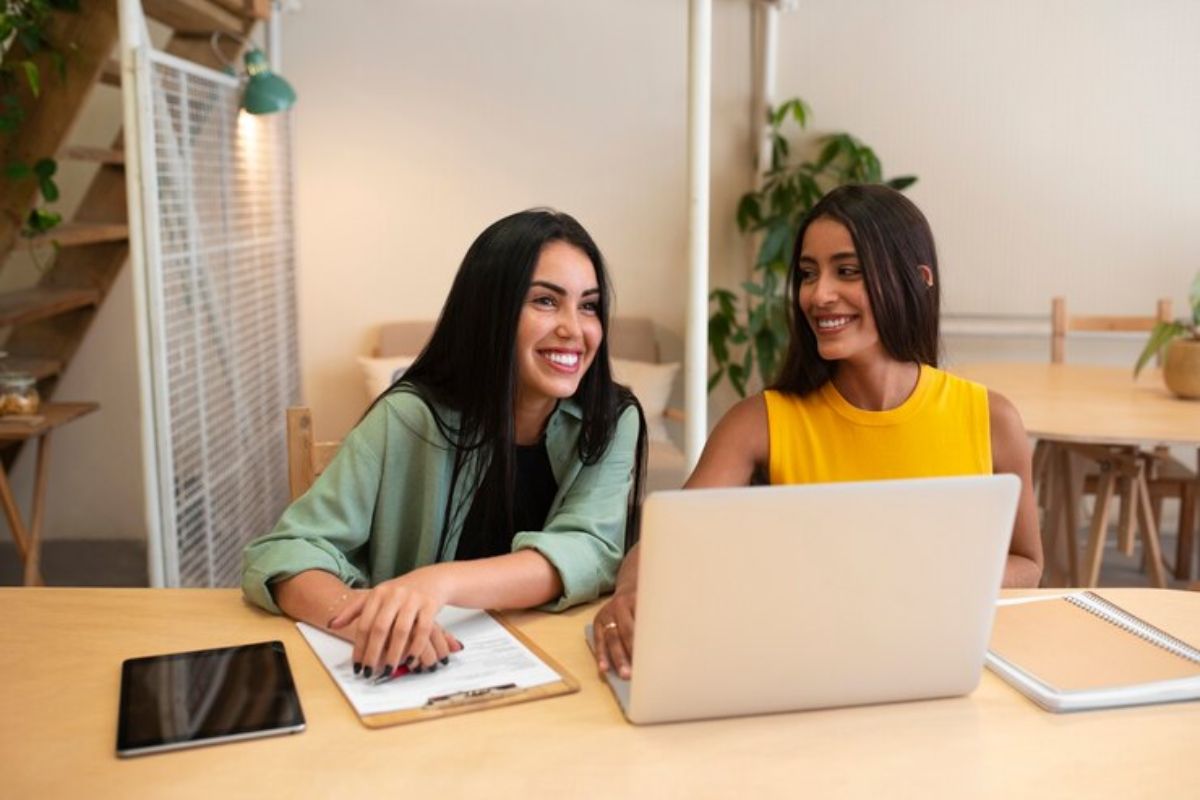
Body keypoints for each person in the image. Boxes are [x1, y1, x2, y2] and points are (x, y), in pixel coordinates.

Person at [593, 184, 1043, 678]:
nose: (818, 294)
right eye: (808, 274)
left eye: (846, 271)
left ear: (918, 280)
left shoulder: (992, 420)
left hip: (939, 666)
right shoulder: (758, 422)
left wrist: (922, 584)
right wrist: (632, 593)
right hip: (807, 671)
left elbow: (1027, 563)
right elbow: (663, 541)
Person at [243, 209, 646, 681]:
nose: (574, 330)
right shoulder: (409, 417)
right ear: (490, 310)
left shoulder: (612, 420)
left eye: (589, 306)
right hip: (426, 677)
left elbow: (588, 550)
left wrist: (438, 583)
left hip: (561, 671)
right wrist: (366, 615)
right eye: (544, 301)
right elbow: (286, 552)